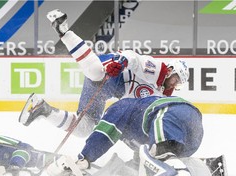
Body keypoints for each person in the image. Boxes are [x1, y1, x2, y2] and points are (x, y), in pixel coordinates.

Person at [18, 9, 190, 138]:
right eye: (176, 78)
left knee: (83, 128)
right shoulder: (158, 69)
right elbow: (134, 58)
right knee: (96, 72)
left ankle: (43, 108)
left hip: (107, 91)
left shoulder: (162, 97)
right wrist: (122, 62)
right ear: (170, 71)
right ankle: (64, 31)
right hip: (115, 71)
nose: (175, 84)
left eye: (179, 83)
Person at [45, 96, 229, 176]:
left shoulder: (118, 108)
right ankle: (210, 175)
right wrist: (111, 175)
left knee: (162, 156)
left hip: (167, 113)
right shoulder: (137, 130)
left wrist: (85, 158)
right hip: (192, 121)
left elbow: (103, 134)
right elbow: (141, 162)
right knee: (163, 154)